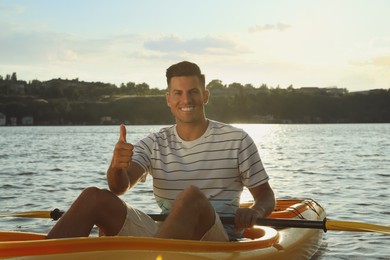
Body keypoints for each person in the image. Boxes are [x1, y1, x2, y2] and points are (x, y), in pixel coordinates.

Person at [47, 61, 275, 241]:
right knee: (93, 196)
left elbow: (266, 196)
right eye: (177, 93)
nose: (186, 99)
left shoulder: (237, 140)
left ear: (205, 96)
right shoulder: (154, 142)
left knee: (191, 198)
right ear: (168, 99)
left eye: (193, 92)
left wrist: (255, 210)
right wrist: (117, 167)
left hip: (216, 240)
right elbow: (119, 187)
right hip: (165, 236)